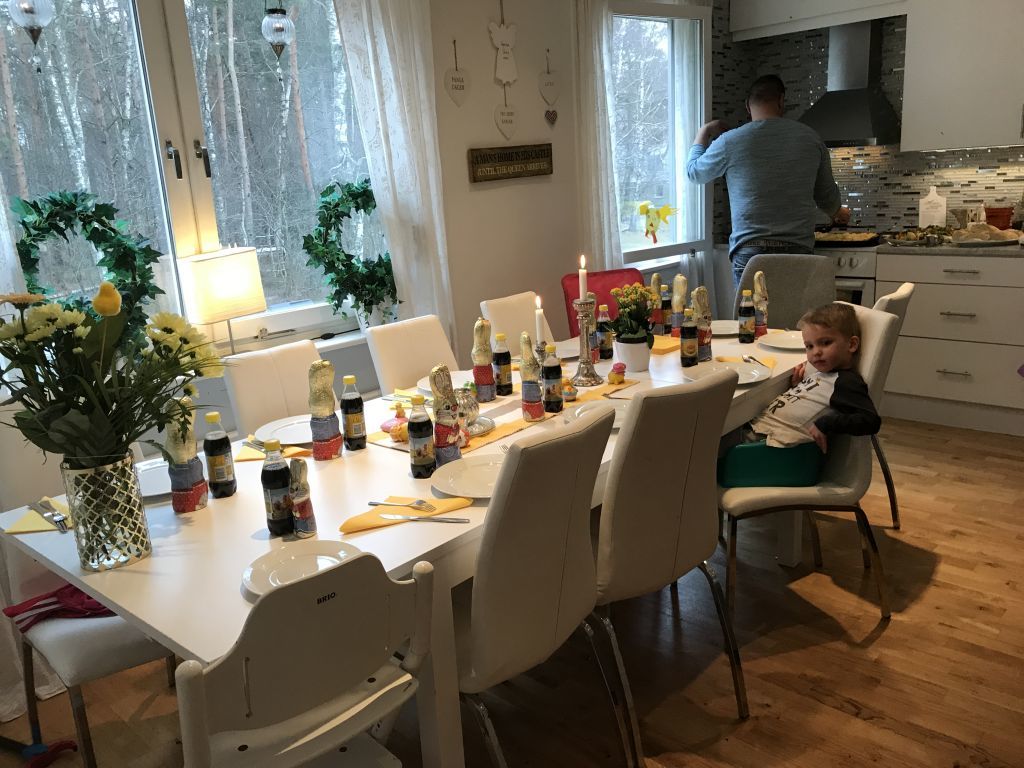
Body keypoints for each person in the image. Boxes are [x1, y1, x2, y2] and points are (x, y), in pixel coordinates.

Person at [685, 74, 850, 286]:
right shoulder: (811, 138)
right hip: (797, 250)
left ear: (747, 105)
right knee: (793, 309)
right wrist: (838, 212)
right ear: (781, 100)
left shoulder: (730, 141)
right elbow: (826, 196)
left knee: (751, 310)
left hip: (750, 251)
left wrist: (704, 131)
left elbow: (694, 173)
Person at [718, 303, 880, 486]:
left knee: (702, 448)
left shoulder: (847, 382)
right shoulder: (826, 374)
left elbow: (870, 420)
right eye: (809, 346)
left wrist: (826, 423)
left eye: (826, 343)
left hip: (779, 452)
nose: (816, 352)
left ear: (851, 344)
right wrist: (798, 386)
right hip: (760, 436)